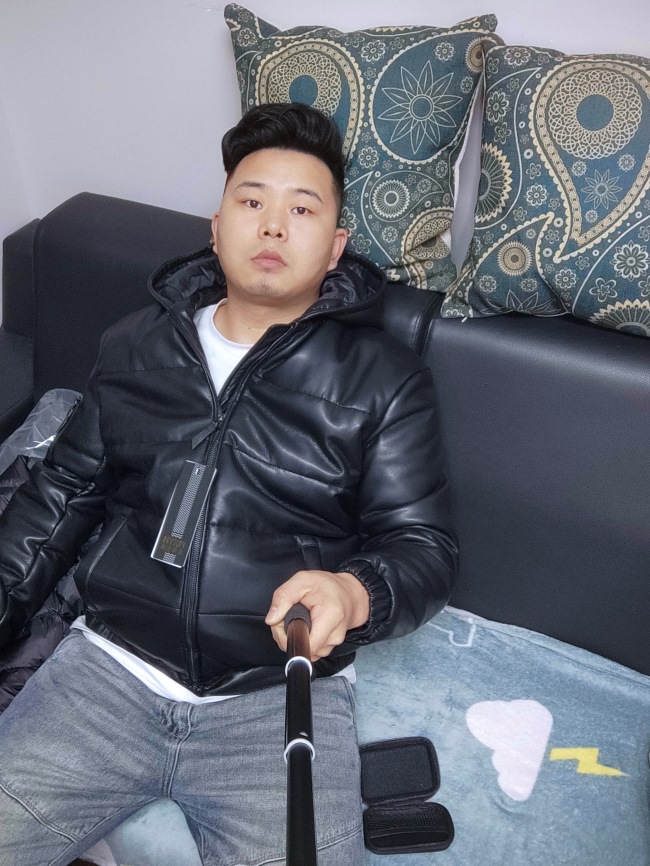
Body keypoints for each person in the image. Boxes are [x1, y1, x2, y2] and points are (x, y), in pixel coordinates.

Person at [0, 102, 457, 866]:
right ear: (216, 229)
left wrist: (354, 593)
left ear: (335, 246)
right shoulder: (132, 346)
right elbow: (61, 495)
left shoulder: (386, 381)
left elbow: (423, 546)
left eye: (302, 209)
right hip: (107, 673)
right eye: (251, 202)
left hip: (276, 696)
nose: (273, 225)